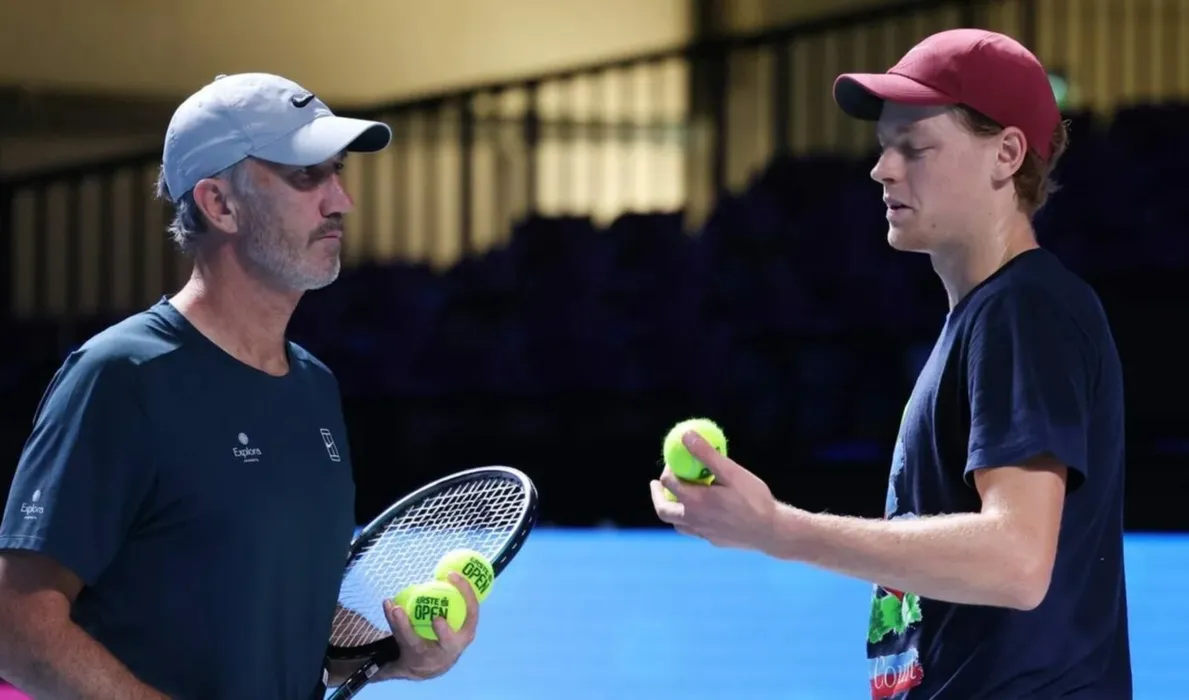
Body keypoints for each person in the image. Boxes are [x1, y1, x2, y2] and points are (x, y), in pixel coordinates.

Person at [651, 29, 1130, 699]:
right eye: (883, 146)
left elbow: (1016, 561)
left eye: (915, 147)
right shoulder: (993, 316)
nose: (882, 169)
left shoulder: (1024, 309)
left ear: (1007, 154)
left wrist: (775, 529)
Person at [0, 72, 481, 699]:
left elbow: (281, 613)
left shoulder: (315, 386)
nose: (340, 200)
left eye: (336, 173)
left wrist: (392, 653)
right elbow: (16, 624)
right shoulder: (121, 376)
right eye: (306, 176)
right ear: (219, 203)